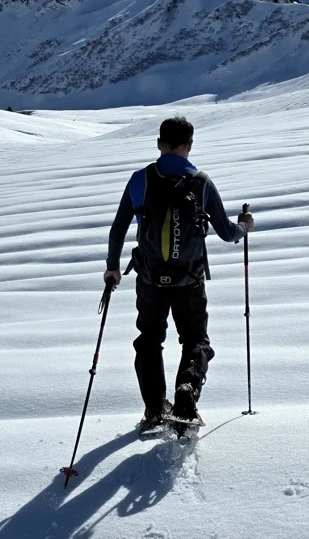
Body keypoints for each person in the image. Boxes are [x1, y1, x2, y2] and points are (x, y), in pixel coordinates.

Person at [104, 116, 254, 426]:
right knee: (195, 339)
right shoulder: (202, 183)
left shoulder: (140, 180)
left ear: (159, 144)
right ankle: (187, 392)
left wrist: (113, 268)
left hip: (150, 279)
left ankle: (155, 409)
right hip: (190, 280)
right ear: (189, 145)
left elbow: (118, 229)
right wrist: (245, 227)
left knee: (149, 339)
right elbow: (227, 232)